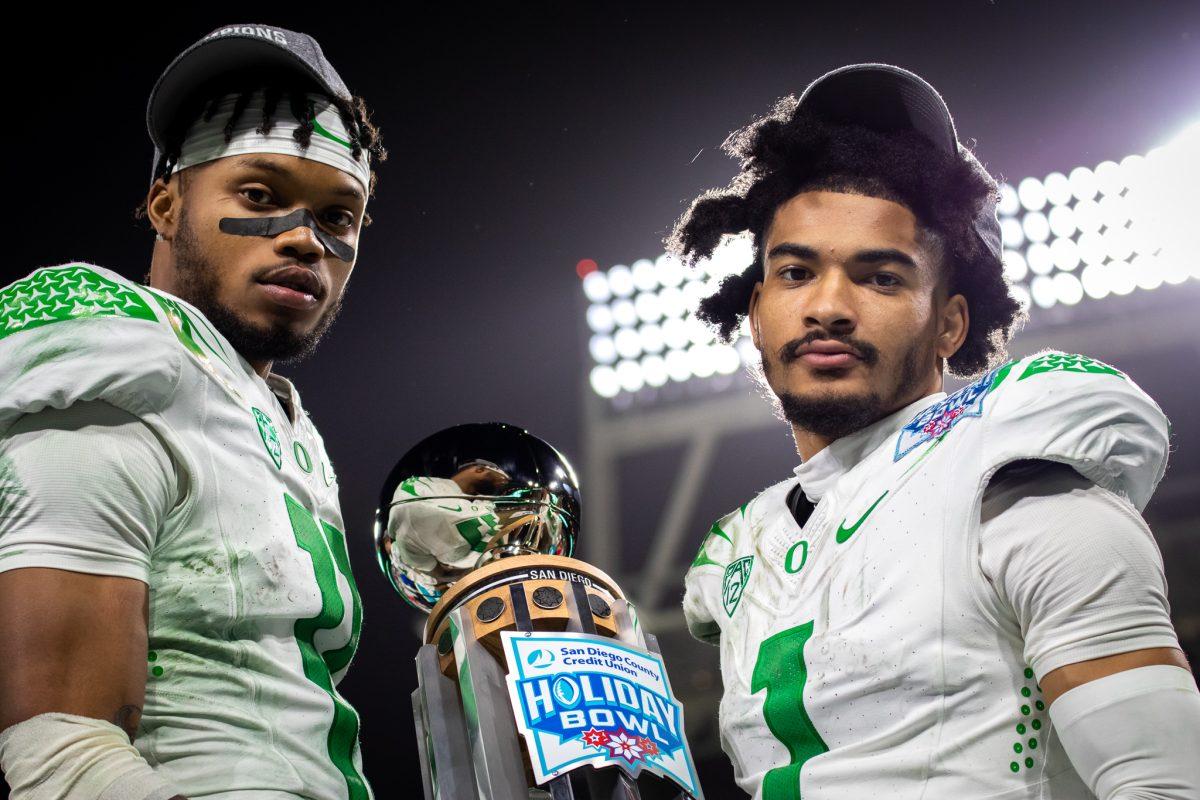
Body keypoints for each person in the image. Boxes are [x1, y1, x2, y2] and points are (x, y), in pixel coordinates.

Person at [674, 64, 1199, 800]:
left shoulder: (1016, 479)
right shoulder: (739, 556)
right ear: (757, 312)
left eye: (880, 277)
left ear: (951, 321)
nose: (828, 306)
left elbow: (1161, 784)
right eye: (796, 273)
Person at [0, 23, 385, 800]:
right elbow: (63, 749)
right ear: (165, 203)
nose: (306, 239)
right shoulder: (117, 349)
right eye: (260, 196)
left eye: (338, 217)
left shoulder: (287, 422)